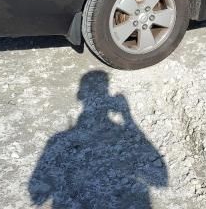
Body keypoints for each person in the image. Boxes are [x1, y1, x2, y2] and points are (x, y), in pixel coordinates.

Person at [29, 70, 167, 208]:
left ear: (80, 96)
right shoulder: (122, 136)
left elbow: (36, 194)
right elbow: (160, 178)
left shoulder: (58, 141)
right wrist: (127, 117)